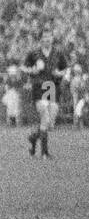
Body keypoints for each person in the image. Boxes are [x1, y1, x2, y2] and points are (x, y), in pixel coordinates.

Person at [21, 29, 69, 160]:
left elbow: (66, 69)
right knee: (45, 117)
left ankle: (33, 138)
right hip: (39, 86)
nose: (47, 39)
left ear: (52, 39)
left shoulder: (58, 53)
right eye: (45, 37)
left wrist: (60, 73)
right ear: (41, 39)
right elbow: (23, 68)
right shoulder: (34, 53)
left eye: (49, 37)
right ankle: (44, 153)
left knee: (50, 123)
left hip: (53, 87)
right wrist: (35, 69)